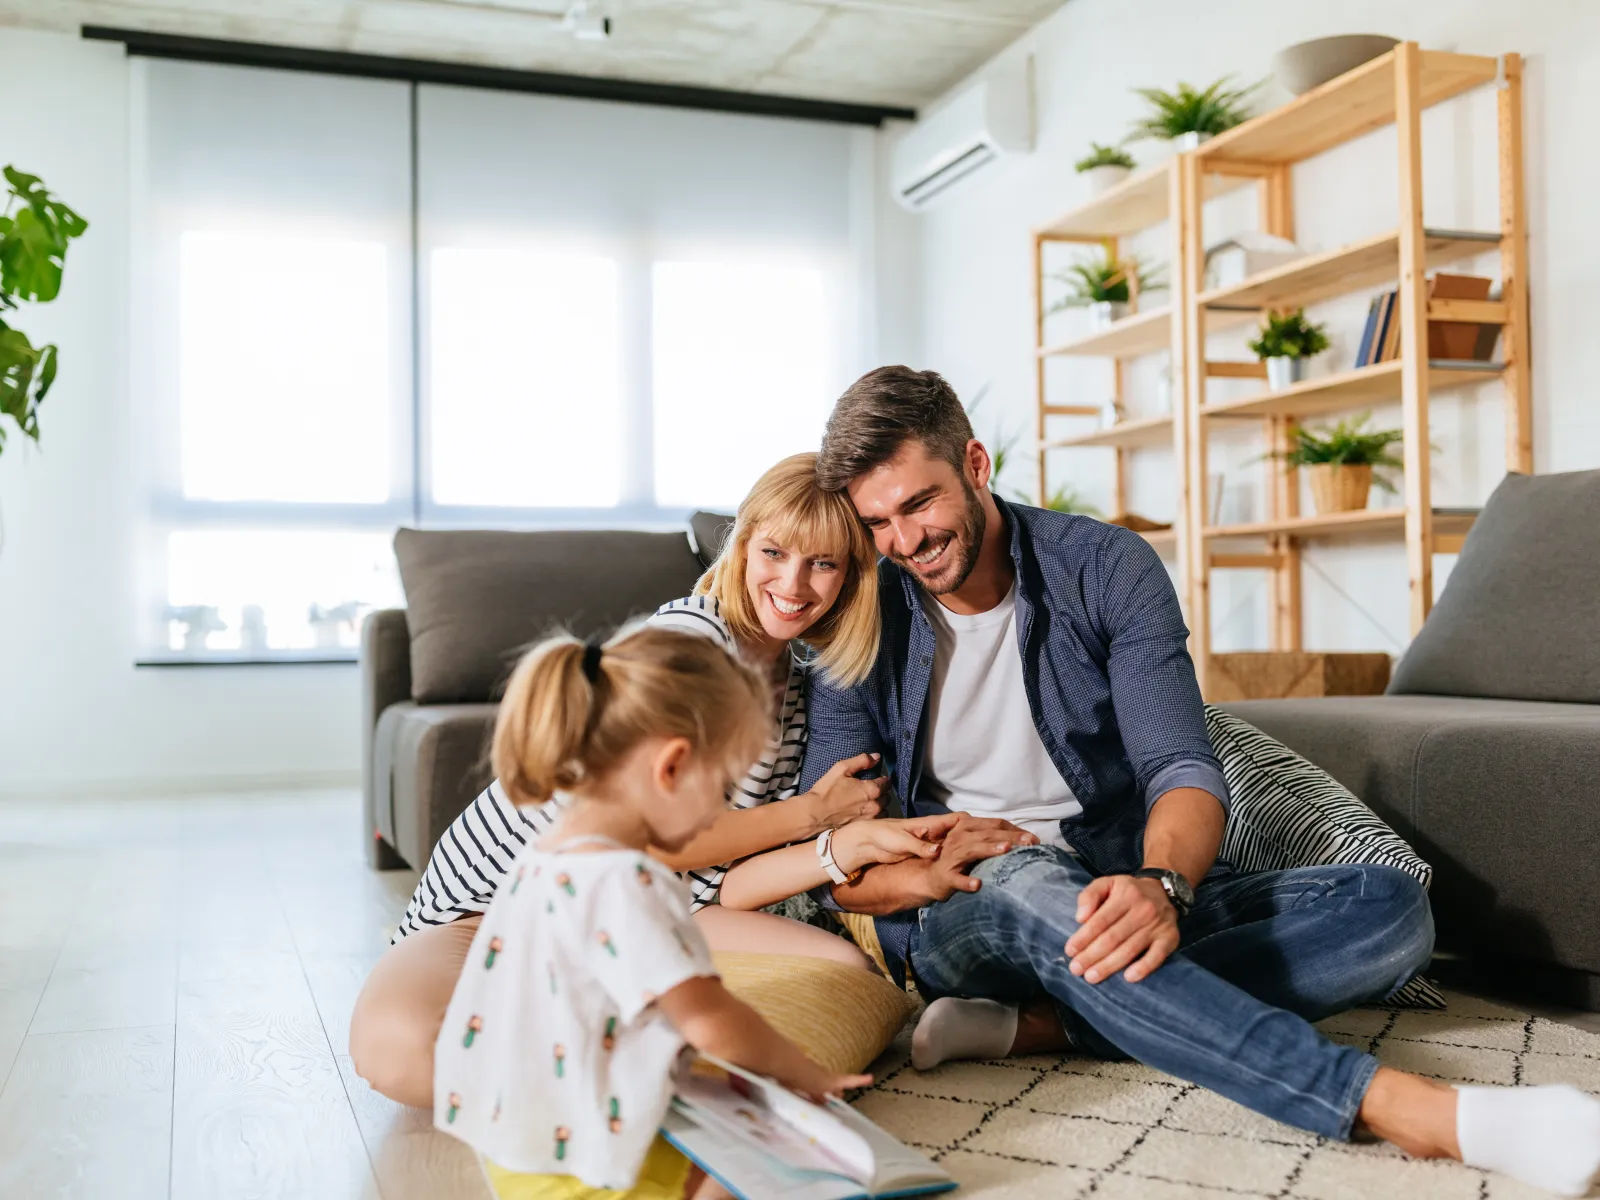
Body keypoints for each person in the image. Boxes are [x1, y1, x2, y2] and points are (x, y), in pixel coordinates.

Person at [796, 365, 1600, 1199]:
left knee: (1390, 910)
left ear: (973, 464)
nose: (903, 541)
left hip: (1113, 876)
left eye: (919, 504)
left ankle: (1051, 1025)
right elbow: (835, 862)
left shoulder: (1104, 567)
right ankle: (1410, 1108)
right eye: (877, 521)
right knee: (1032, 878)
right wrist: (930, 870)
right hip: (962, 906)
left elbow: (1179, 765)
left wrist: (1160, 883)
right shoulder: (861, 610)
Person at [351, 453, 934, 1109]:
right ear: (743, 547)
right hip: (492, 912)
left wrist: (840, 849)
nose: (794, 583)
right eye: (775, 551)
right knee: (406, 1049)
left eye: (823, 563)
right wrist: (813, 814)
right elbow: (662, 839)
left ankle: (653, 1075)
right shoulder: (690, 641)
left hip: (648, 906)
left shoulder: (799, 695)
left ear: (851, 578)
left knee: (846, 977)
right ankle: (628, 1075)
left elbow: (715, 881)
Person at [440, 624, 906, 1199]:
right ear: (672, 768)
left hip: (515, 1153)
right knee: (782, 1166)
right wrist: (803, 1073)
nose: (724, 813)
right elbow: (714, 1020)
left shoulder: (542, 859)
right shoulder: (632, 881)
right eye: (724, 787)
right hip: (596, 1164)